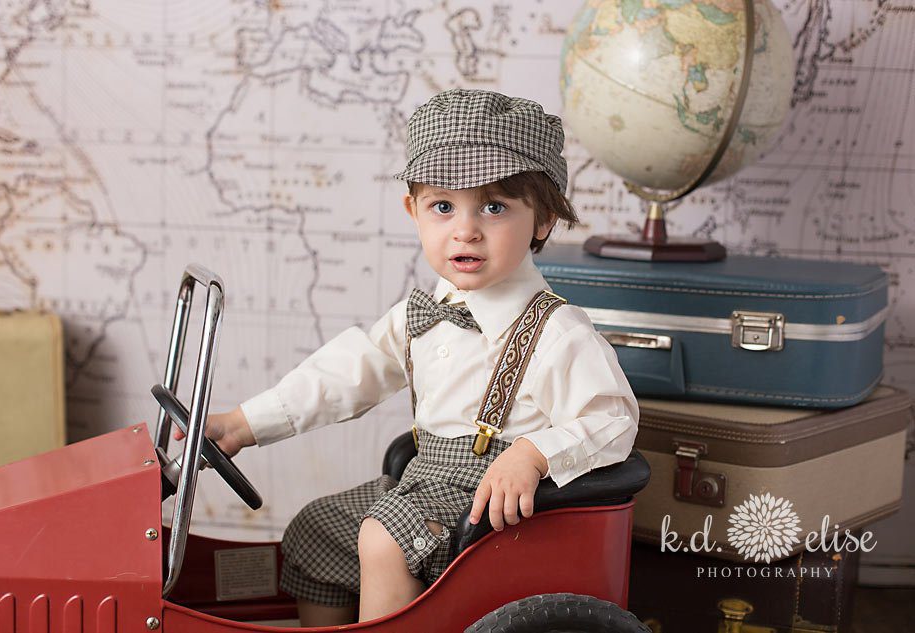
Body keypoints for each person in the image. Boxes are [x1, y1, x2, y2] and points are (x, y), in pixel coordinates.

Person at [193, 89, 638, 626]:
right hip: (422, 485)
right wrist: (244, 424)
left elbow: (612, 418)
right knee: (316, 529)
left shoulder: (556, 331)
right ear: (414, 211)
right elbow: (346, 374)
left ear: (542, 220)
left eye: (494, 207)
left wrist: (533, 454)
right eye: (443, 207)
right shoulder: (425, 311)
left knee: (384, 540)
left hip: (493, 510)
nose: (465, 229)